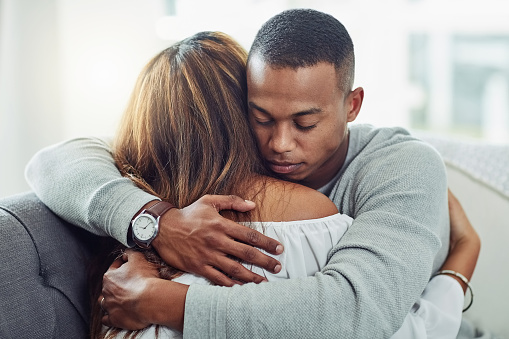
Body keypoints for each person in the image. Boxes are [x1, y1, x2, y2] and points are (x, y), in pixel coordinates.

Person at [25, 9, 478, 338]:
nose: (280, 143)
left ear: (352, 105)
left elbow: (355, 313)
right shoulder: (236, 153)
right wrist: (158, 221)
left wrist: (160, 302)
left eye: (305, 123)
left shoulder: (403, 167)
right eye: (261, 117)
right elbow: (52, 162)